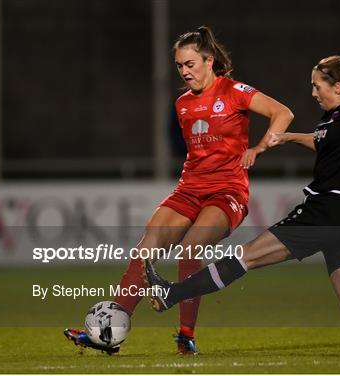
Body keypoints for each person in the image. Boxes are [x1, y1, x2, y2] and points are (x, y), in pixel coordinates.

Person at [144, 53, 340, 354]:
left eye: (317, 85)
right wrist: (289, 137)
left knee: (245, 257)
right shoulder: (335, 118)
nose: (313, 92)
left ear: (338, 87)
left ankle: (170, 294)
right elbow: (324, 143)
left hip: (324, 212)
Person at [64, 26, 294, 355]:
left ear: (208, 61)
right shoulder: (183, 104)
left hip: (227, 192)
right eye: (180, 66)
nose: (185, 71)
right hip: (189, 189)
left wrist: (260, 147)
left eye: (190, 64)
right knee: (146, 248)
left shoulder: (235, 91)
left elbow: (282, 113)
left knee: (191, 246)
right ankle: (110, 333)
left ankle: (186, 335)